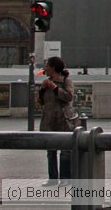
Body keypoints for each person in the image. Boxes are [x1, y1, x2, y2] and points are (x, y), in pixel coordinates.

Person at [39, 56, 75, 185]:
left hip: (63, 119)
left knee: (65, 151)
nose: (45, 68)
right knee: (50, 151)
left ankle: (66, 178)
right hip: (49, 120)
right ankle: (52, 178)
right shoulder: (46, 82)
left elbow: (69, 97)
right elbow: (41, 102)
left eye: (47, 65)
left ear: (53, 67)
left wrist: (54, 87)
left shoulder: (65, 80)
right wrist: (42, 90)